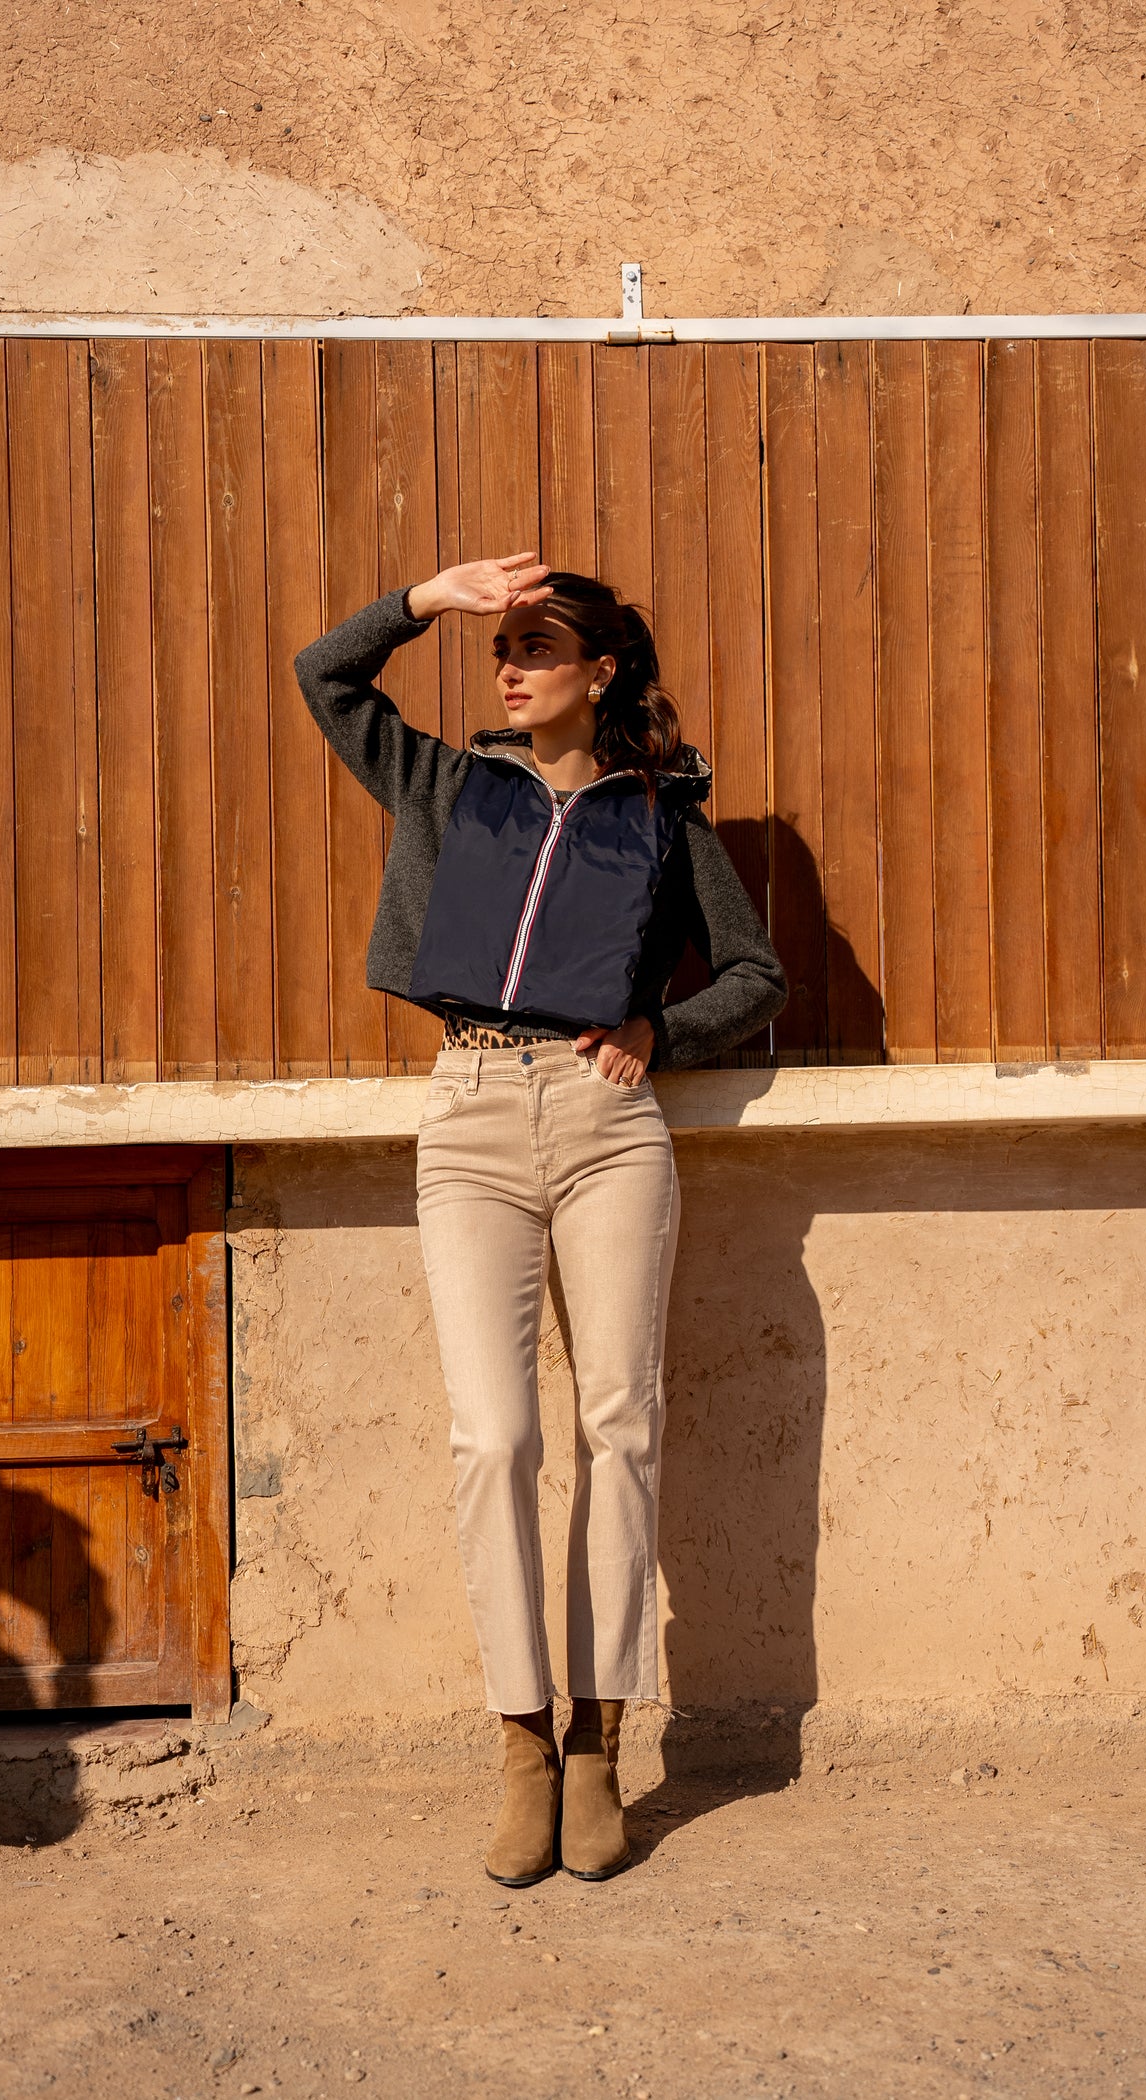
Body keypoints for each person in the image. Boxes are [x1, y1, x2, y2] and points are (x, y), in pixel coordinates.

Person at [296, 553, 786, 1885]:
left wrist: (659, 1032)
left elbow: (754, 972)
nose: (509, 670)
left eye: (537, 649)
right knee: (495, 1437)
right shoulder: (448, 784)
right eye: (503, 649)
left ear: (600, 671)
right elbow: (324, 678)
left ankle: (595, 1749)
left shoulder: (661, 815)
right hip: (467, 1117)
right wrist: (426, 601)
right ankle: (519, 1743)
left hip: (606, 1123)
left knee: (618, 1425)